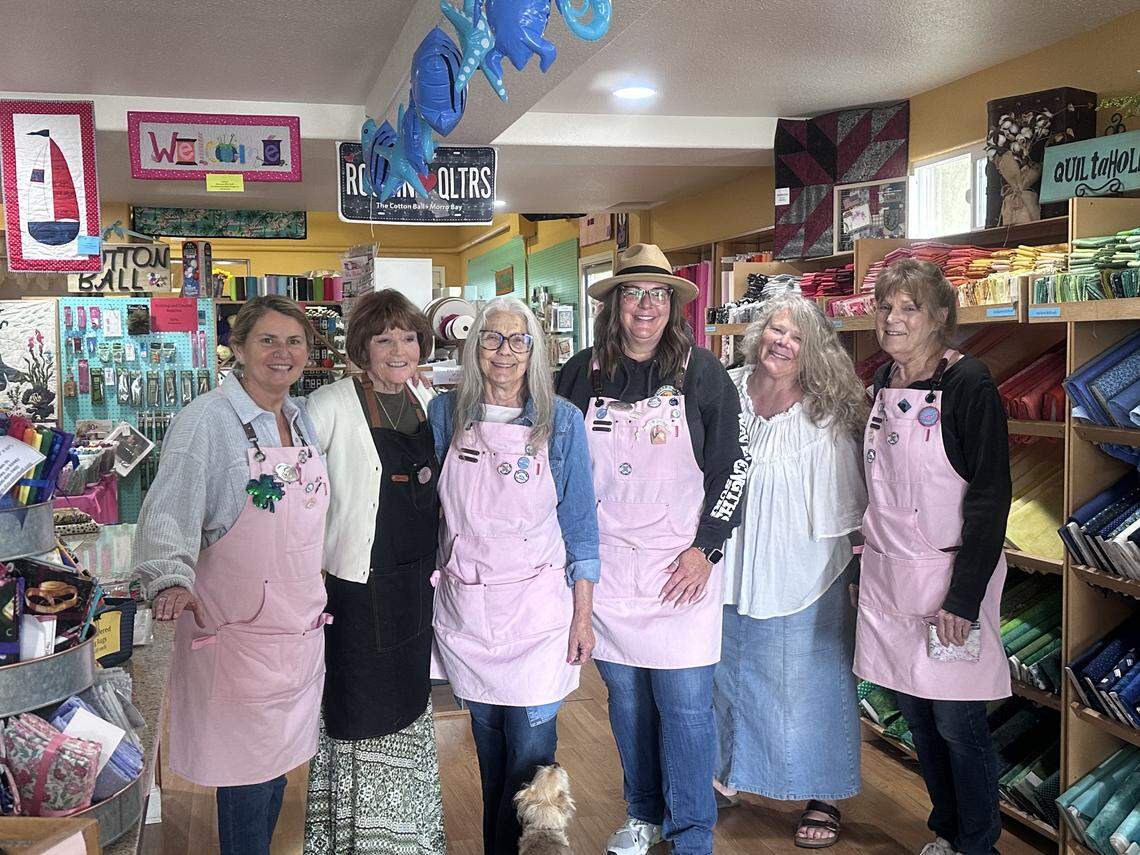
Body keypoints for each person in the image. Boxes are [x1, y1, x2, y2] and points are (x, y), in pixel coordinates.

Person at [556, 243, 748, 855]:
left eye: (658, 295)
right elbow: (557, 466)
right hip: (607, 570)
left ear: (673, 305)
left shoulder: (702, 373)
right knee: (629, 706)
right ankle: (642, 813)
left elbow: (733, 469)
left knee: (687, 710)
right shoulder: (579, 374)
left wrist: (706, 549)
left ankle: (692, 831)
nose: (646, 306)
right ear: (614, 305)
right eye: (634, 294)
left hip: (679, 568)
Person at [132, 296, 328, 855]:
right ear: (238, 349)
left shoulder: (300, 418)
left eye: (294, 341)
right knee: (248, 771)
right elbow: (169, 508)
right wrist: (170, 576)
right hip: (239, 634)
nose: (282, 353)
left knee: (276, 768)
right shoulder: (208, 421)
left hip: (297, 627)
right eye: (267, 340)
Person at [428, 296, 599, 855]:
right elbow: (432, 514)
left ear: (535, 350)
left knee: (532, 760)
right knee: (490, 755)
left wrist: (582, 616)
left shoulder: (563, 422)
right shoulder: (445, 414)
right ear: (474, 346)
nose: (505, 352)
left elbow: (580, 525)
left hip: (537, 616)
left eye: (518, 339)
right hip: (469, 612)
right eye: (493, 338)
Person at [854, 258, 1012, 855]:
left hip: (948, 583)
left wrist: (964, 598)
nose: (892, 319)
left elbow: (991, 496)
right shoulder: (880, 384)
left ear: (941, 317)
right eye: (885, 307)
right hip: (893, 578)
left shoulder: (971, 384)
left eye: (908, 308)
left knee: (958, 723)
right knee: (918, 718)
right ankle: (947, 832)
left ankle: (978, 843)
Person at [712, 293, 867, 849]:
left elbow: (849, 502)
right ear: (758, 333)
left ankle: (824, 792)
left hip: (804, 564)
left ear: (814, 350)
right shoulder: (727, 390)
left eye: (796, 336)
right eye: (776, 329)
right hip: (726, 562)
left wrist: (857, 571)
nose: (782, 341)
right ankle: (728, 775)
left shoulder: (827, 410)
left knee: (811, 683)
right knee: (726, 679)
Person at [303, 290, 444, 854]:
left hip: (414, 584)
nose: (397, 349)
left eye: (407, 337)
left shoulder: (426, 398)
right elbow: (302, 497)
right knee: (357, 709)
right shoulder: (330, 404)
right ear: (361, 346)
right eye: (383, 338)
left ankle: (405, 837)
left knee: (409, 705)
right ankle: (355, 839)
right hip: (354, 588)